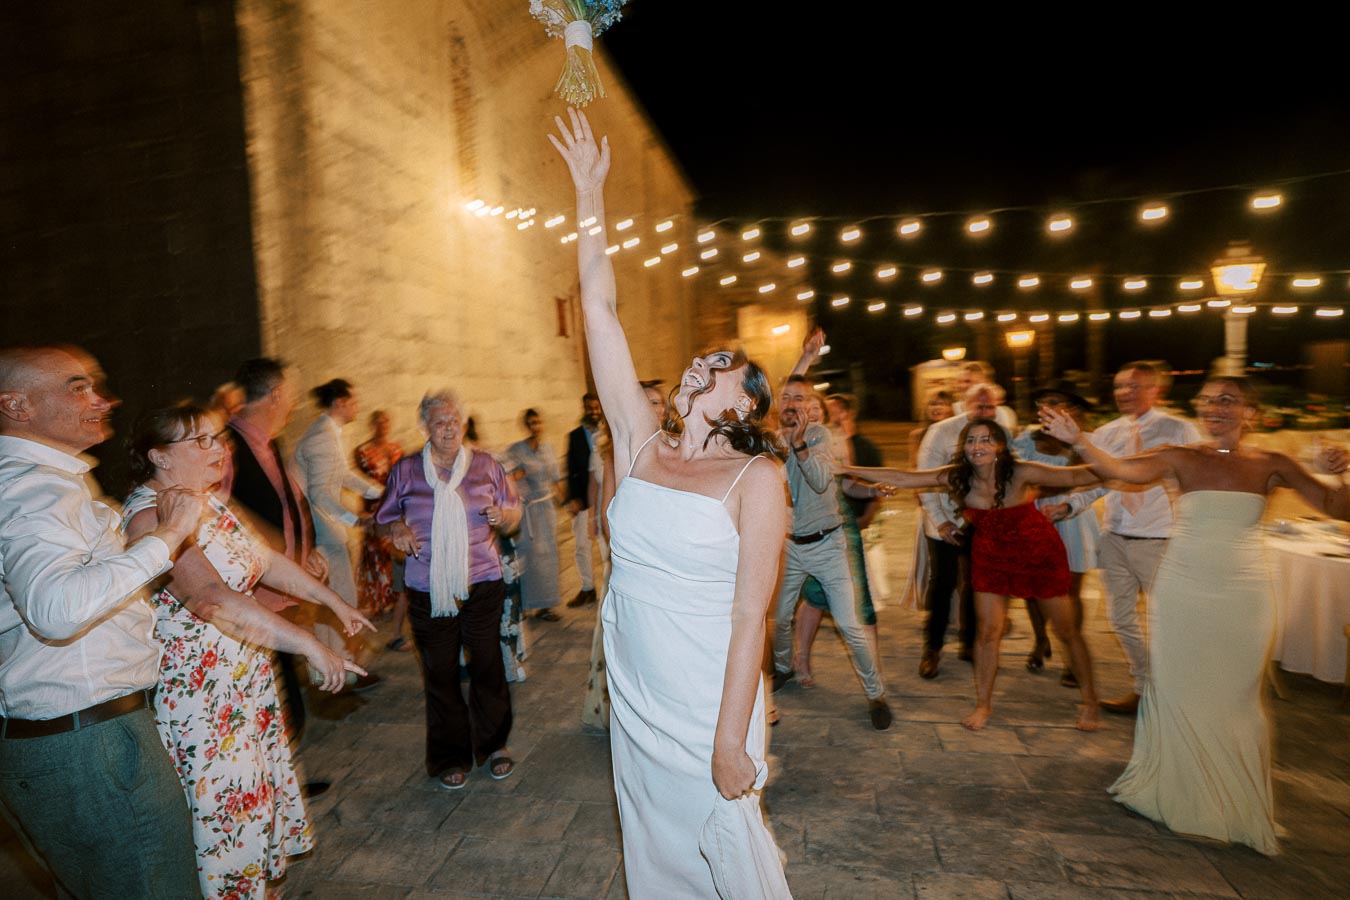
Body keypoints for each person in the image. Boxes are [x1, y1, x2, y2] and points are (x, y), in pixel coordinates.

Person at [551, 108, 792, 897]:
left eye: (723, 363)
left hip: (706, 694)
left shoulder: (756, 481)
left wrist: (731, 736)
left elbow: (751, 618)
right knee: (655, 850)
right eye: (703, 356)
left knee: (725, 844)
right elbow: (598, 311)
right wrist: (591, 193)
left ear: (745, 405)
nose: (702, 360)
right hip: (638, 684)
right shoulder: (639, 440)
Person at [1041, 379, 1349, 854]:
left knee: (1237, 695)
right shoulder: (1180, 456)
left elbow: (1336, 506)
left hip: (1244, 593)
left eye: (1229, 399)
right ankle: (1178, 790)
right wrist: (1080, 439)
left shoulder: (1272, 464)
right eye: (1208, 400)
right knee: (1180, 685)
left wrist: (1341, 475)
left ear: (1251, 411)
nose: (1217, 407)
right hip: (1184, 588)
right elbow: (1120, 468)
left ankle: (1232, 797)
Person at [121, 404, 374, 898]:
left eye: (218, 438)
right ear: (159, 456)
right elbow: (212, 599)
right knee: (226, 820)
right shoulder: (151, 514)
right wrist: (308, 645)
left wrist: (333, 602)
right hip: (202, 700)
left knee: (254, 811)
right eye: (201, 442)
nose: (218, 450)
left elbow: (267, 560)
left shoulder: (207, 500)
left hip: (242, 683)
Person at [0, 346, 203, 898]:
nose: (102, 399)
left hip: (79, 736)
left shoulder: (44, 481)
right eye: (77, 386)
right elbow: (57, 610)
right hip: (90, 741)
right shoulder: (32, 486)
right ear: (15, 404)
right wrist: (169, 535)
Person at [847, 418, 1102, 731]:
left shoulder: (1020, 471)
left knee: (1066, 630)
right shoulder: (957, 477)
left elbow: (1077, 474)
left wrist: (1086, 447)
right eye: (971, 440)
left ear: (998, 445)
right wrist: (844, 469)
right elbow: (903, 476)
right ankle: (983, 705)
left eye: (985, 440)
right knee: (986, 633)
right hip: (990, 554)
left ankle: (1090, 701)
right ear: (963, 447)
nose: (977, 446)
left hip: (1037, 552)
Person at [374, 389, 521, 790]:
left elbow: (513, 512)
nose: (449, 428)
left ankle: (494, 744)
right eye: (439, 422)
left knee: (487, 663)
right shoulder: (406, 471)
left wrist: (504, 516)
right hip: (426, 587)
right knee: (439, 673)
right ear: (425, 427)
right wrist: (396, 528)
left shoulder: (486, 465)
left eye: (454, 420)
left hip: (482, 581)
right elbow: (382, 520)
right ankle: (450, 755)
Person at [773, 375, 892, 730]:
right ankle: (783, 668)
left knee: (850, 625)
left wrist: (800, 447)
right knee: (778, 619)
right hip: (791, 547)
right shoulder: (769, 440)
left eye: (801, 399)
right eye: (788, 398)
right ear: (781, 404)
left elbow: (822, 480)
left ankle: (876, 694)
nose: (794, 404)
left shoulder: (821, 436)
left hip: (828, 545)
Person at [1091, 362, 1201, 715]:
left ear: (1156, 390)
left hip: (1159, 540)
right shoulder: (1106, 433)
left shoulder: (1180, 430)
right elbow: (1093, 480)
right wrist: (1067, 505)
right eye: (1120, 386)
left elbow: (1205, 472)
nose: (1124, 393)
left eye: (1135, 386)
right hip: (1114, 539)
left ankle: (1176, 691)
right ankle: (1143, 686)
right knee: (1120, 618)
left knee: (1168, 620)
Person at [913, 383, 1010, 679]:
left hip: (982, 521)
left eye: (990, 407)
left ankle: (970, 644)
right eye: (979, 407)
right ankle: (933, 649)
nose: (985, 412)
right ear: (965, 406)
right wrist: (941, 521)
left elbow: (1006, 474)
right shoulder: (941, 431)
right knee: (942, 584)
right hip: (945, 522)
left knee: (977, 583)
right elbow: (925, 478)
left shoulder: (1001, 431)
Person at [293, 379, 384, 666]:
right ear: (340, 403)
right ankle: (344, 671)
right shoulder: (321, 436)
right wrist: (356, 520)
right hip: (325, 533)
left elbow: (343, 474)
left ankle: (330, 666)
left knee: (328, 602)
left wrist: (382, 491)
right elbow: (319, 493)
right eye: (354, 401)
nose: (358, 406)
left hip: (324, 531)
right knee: (342, 600)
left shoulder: (328, 432)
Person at [354, 410, 408, 647]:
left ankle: (394, 604)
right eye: (378, 422)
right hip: (375, 511)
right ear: (372, 425)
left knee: (395, 560)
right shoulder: (363, 451)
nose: (383, 426)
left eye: (386, 421)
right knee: (377, 558)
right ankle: (381, 603)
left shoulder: (397, 449)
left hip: (395, 509)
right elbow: (360, 483)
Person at [505, 409, 564, 622]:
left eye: (538, 422)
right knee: (528, 556)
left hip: (546, 509)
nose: (535, 426)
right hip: (528, 511)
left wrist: (565, 500)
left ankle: (545, 606)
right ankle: (524, 604)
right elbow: (504, 475)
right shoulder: (516, 450)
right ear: (526, 425)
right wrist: (517, 475)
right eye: (530, 423)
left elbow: (555, 478)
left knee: (548, 557)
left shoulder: (547, 449)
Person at [900, 390, 954, 612]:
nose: (937, 407)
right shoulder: (918, 435)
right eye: (933, 403)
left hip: (955, 500)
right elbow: (914, 468)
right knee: (934, 563)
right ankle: (936, 609)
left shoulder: (958, 431)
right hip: (930, 499)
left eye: (942, 403)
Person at [564, 393, 603, 611]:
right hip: (583, 501)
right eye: (590, 407)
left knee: (606, 546)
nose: (593, 411)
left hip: (606, 499)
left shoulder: (608, 434)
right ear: (584, 408)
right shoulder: (575, 436)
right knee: (582, 546)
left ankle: (610, 588)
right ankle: (588, 588)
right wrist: (572, 499)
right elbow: (570, 469)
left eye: (596, 407)